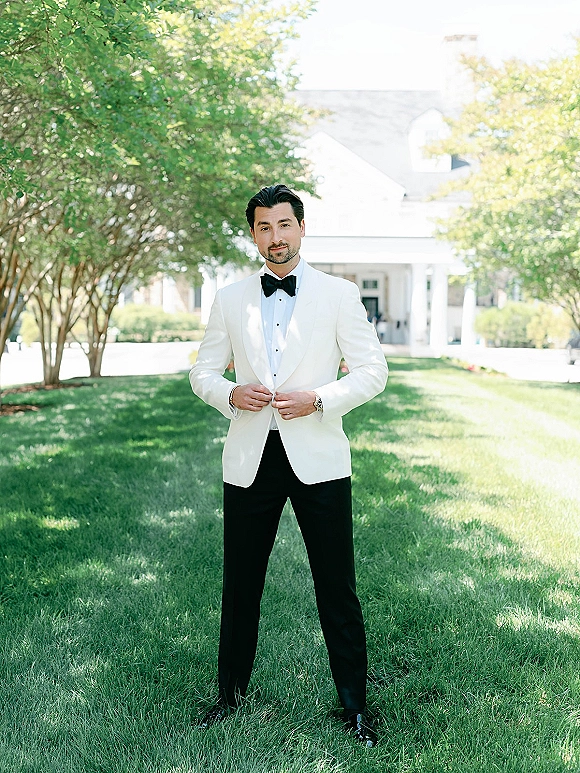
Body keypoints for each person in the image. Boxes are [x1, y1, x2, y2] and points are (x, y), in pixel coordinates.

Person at [189, 184, 388, 746]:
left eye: (283, 225)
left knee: (336, 585)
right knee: (241, 583)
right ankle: (229, 698)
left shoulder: (339, 295)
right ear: (253, 234)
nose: (274, 238)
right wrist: (229, 395)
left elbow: (372, 372)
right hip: (250, 457)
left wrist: (321, 399)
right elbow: (201, 372)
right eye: (263, 228)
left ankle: (353, 707)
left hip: (318, 456)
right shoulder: (229, 299)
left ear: (301, 227)